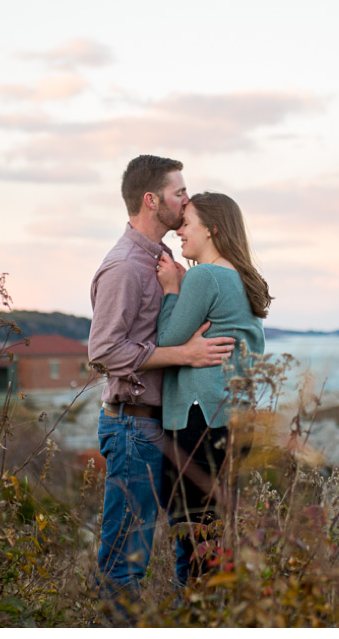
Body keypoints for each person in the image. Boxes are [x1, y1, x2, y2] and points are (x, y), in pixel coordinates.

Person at [88, 156, 236, 611]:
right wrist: (184, 355)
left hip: (164, 427)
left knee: (190, 548)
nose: (187, 200)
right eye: (179, 193)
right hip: (133, 428)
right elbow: (103, 352)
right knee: (124, 561)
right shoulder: (125, 267)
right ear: (152, 201)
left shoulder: (163, 259)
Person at [154, 192, 271, 588]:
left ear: (212, 228)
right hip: (233, 420)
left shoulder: (205, 276)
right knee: (215, 538)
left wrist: (172, 289)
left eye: (187, 222)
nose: (179, 231)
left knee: (192, 537)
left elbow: (168, 339)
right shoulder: (240, 277)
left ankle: (194, 620)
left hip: (197, 419)